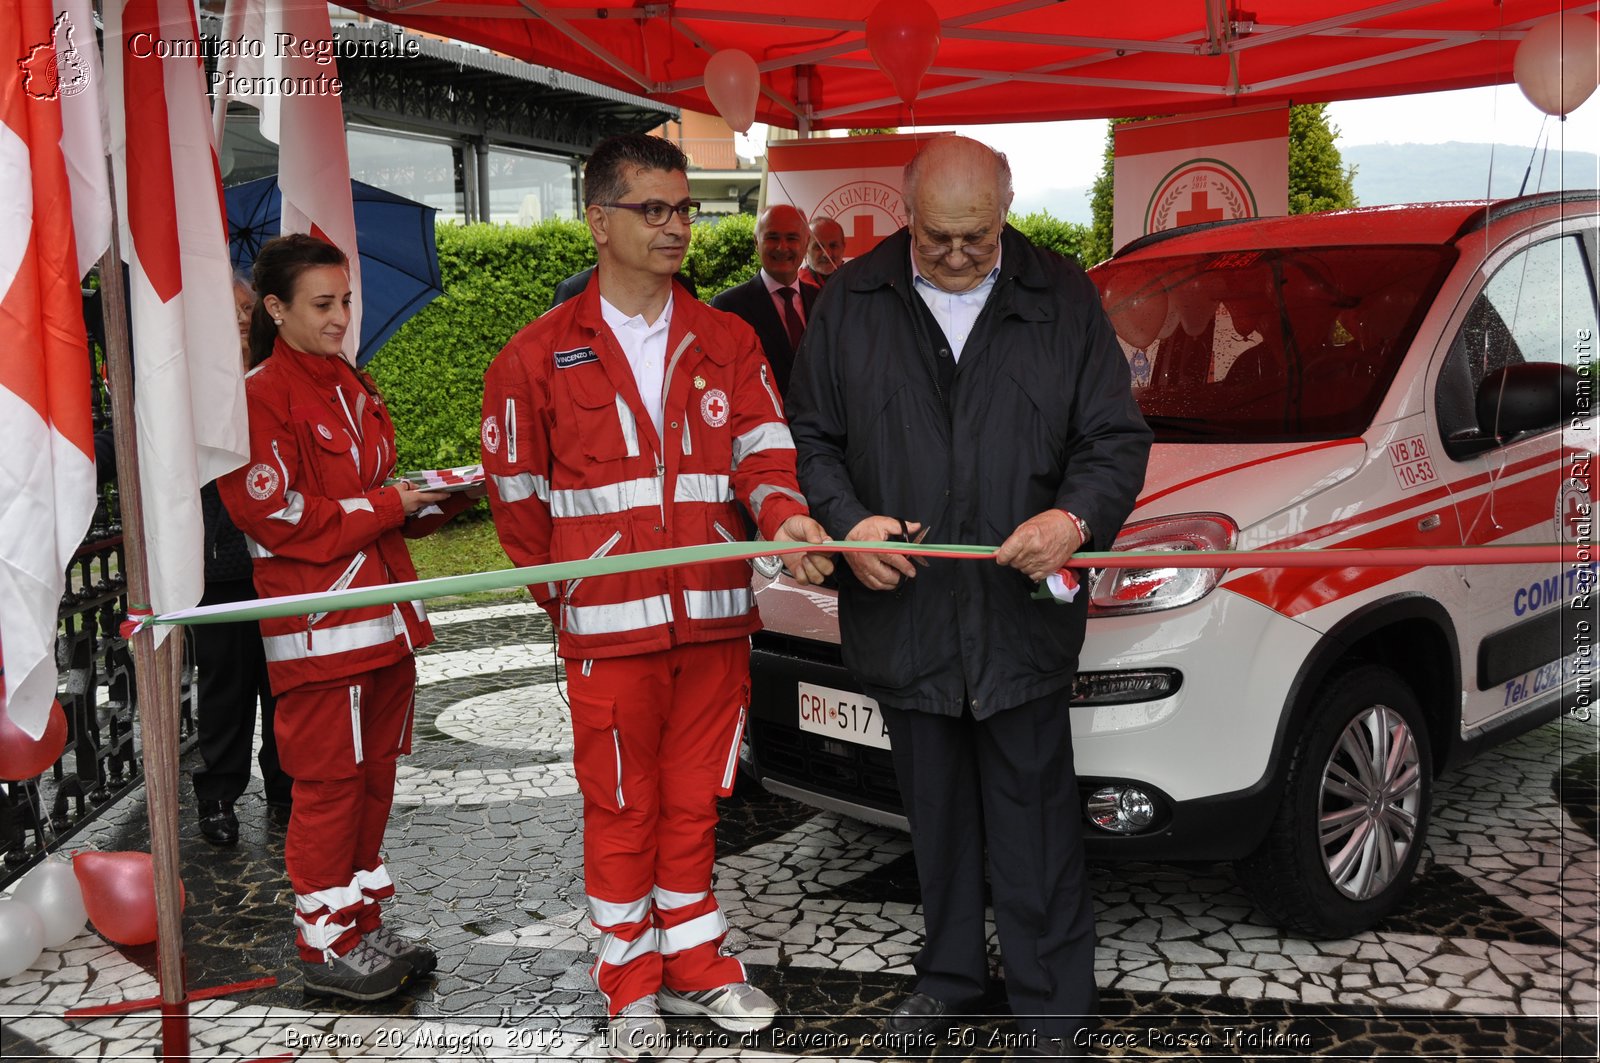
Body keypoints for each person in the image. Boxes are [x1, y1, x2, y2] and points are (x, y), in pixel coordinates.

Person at [785, 135, 1152, 1053]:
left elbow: (1114, 438)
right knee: (936, 818)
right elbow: (813, 438)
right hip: (904, 608)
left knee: (1035, 820)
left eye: (976, 238)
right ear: (909, 211)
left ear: (1007, 207)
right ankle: (949, 977)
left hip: (1017, 617)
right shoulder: (853, 298)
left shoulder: (1060, 293)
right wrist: (846, 522)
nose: (955, 256)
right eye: (936, 237)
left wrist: (1073, 518)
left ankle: (1052, 1006)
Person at [482, 133, 832, 1058]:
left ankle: (696, 958)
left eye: (684, 209)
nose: (676, 226)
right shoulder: (534, 356)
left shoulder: (728, 338)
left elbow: (764, 453)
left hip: (713, 616)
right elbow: (516, 504)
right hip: (608, 627)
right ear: (599, 222)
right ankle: (628, 979)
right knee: (622, 805)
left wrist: (786, 519)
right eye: (654, 210)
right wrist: (570, 597)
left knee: (696, 800)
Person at [219, 234, 476, 1002]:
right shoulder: (261, 395)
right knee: (329, 788)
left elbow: (366, 501)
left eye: (346, 301)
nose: (341, 318)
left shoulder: (347, 383)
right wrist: (394, 502)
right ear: (277, 308)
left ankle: (361, 923)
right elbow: (281, 518)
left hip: (385, 625)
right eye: (323, 304)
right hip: (322, 635)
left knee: (372, 783)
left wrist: (431, 500)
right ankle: (323, 940)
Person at [193, 275, 293, 847]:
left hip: (277, 559)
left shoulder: (281, 374)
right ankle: (218, 798)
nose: (238, 316)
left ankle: (284, 789)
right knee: (225, 689)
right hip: (221, 562)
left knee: (281, 683)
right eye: (227, 307)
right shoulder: (195, 385)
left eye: (247, 306)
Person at [710, 203, 818, 397]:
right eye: (772, 237)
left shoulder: (823, 300)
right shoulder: (728, 307)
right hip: (760, 424)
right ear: (756, 242)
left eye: (792, 238)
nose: (782, 247)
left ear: (806, 243)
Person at [799, 215, 847, 288]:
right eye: (818, 246)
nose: (827, 254)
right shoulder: (796, 288)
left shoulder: (857, 282)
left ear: (843, 247)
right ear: (805, 249)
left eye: (833, 245)